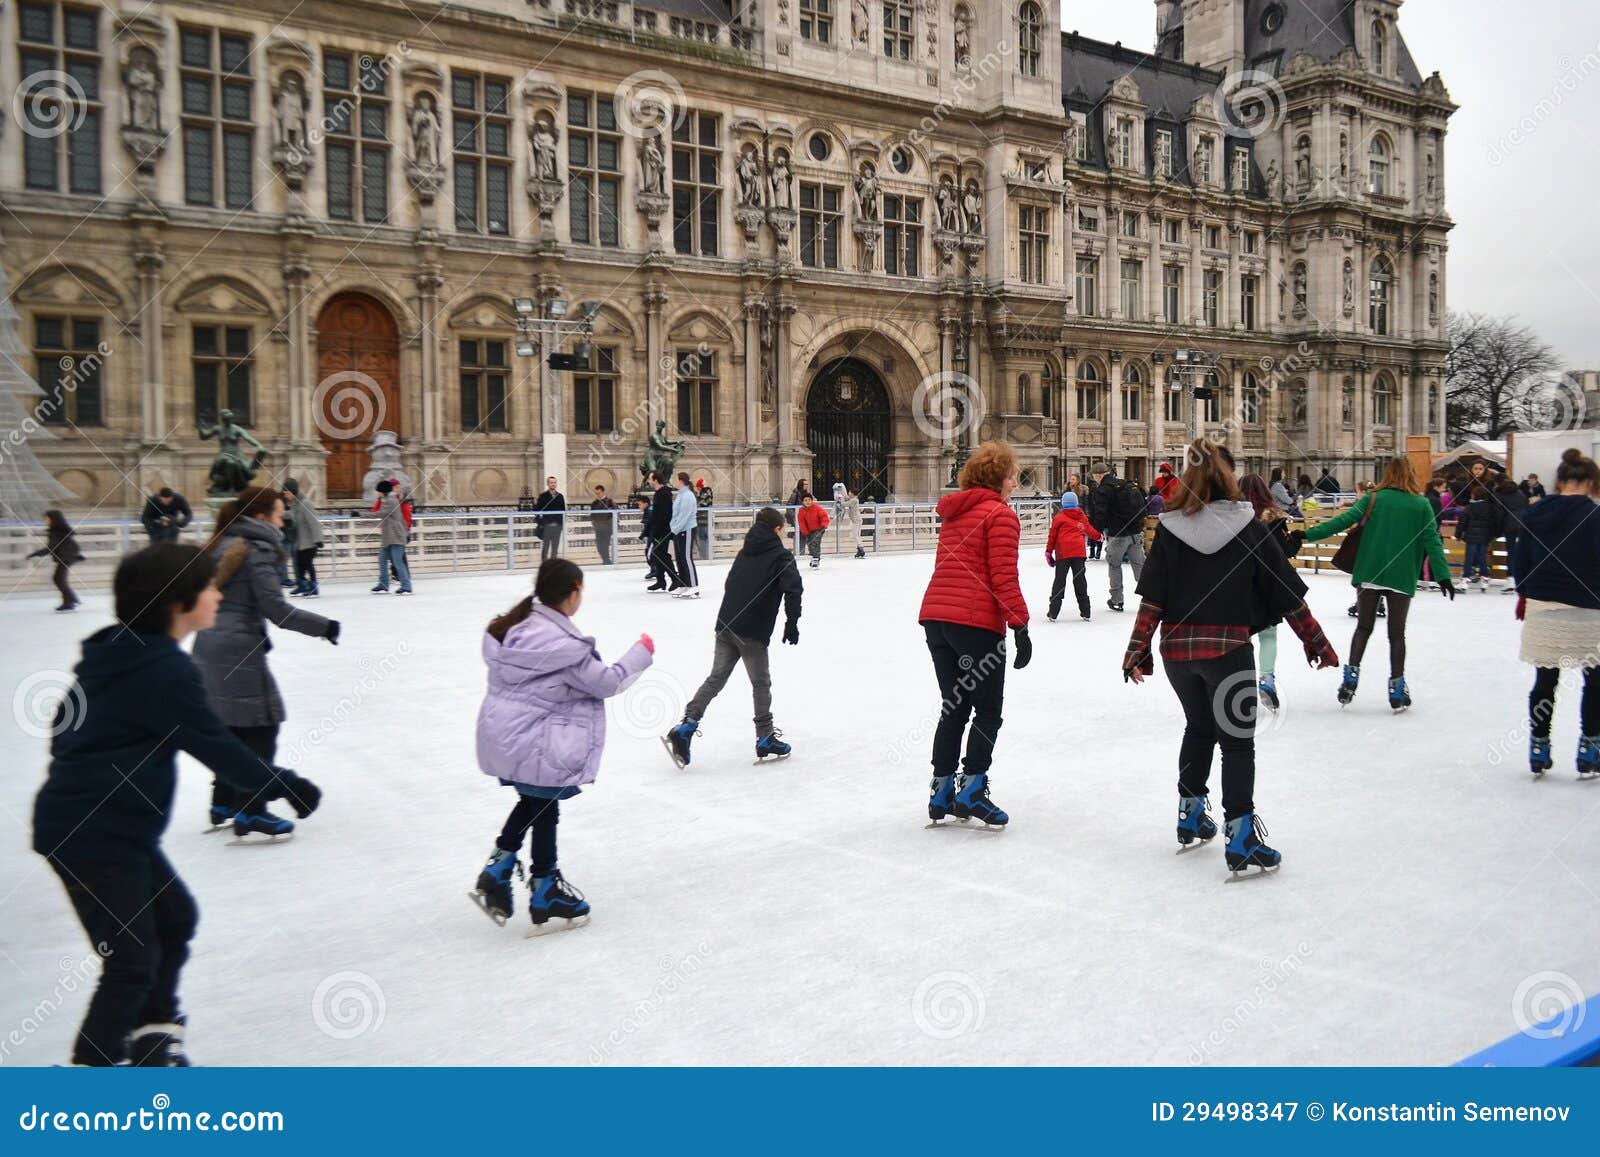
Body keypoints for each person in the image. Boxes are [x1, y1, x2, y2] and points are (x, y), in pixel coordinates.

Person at [32, 544, 322, 1066]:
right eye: (210, 587)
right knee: (129, 962)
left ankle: (153, 1036)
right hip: (95, 835)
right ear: (178, 603)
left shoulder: (116, 651)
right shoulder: (162, 669)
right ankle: (85, 1080)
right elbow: (217, 746)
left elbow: (63, 726)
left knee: (175, 918)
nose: (217, 593)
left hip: (106, 827)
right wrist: (288, 783)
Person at [1122, 441, 1339, 875]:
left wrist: (1136, 651)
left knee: (1199, 729)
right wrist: (1316, 641)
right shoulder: (1250, 528)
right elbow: (1286, 592)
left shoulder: (1169, 529)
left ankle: (1189, 815)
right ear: (1229, 476)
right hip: (1227, 650)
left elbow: (1153, 599)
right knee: (1238, 744)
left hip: (1178, 654)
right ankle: (1240, 839)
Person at [472, 559, 654, 930]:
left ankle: (514, 870)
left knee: (537, 803)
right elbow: (605, 683)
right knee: (542, 803)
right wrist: (641, 652)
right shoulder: (563, 647)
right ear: (573, 591)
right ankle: (537, 883)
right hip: (534, 740)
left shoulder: (517, 626)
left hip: (504, 735)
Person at [193, 485, 339, 835]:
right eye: (277, 513)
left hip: (208, 643)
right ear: (260, 517)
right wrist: (325, 626)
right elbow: (277, 610)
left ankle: (223, 800)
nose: (282, 520)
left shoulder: (222, 542)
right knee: (261, 726)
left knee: (232, 725)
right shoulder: (257, 550)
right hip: (238, 648)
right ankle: (251, 808)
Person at [917, 441, 1031, 829]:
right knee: (987, 710)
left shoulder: (956, 513)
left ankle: (941, 789)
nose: (1015, 483)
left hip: (937, 619)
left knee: (954, 707)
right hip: (974, 625)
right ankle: (972, 789)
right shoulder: (1000, 516)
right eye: (1012, 475)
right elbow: (1002, 576)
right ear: (999, 477)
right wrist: (1020, 624)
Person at [1304, 456, 1456, 710]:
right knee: (1396, 634)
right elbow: (1432, 541)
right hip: (1400, 575)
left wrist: (1305, 535)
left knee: (1363, 628)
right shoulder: (1420, 505)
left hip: (1370, 573)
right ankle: (1396, 689)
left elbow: (1341, 522)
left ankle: (1350, 680)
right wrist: (1443, 575)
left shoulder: (1373, 498)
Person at [666, 508, 803, 768]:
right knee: (761, 683)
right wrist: (792, 621)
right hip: (752, 630)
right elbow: (793, 589)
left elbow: (731, 583)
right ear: (776, 529)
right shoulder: (780, 556)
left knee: (716, 678)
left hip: (727, 624)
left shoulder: (746, 551)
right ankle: (765, 738)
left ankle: (687, 725)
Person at [1511, 449, 1600, 778]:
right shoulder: (1596, 515)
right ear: (1590, 481)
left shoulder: (1535, 515)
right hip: (1589, 608)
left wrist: (1529, 592)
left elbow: (1520, 564)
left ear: (1559, 481)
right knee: (1595, 680)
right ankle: (1589, 750)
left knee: (1545, 681)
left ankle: (1538, 747)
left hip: (1543, 605)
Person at [1239, 474, 1299, 710]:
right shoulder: (1273, 517)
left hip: (1239, 584)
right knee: (1269, 635)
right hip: (1268, 584)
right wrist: (1295, 539)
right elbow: (1285, 552)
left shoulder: (1235, 517)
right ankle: (1266, 679)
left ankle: (1239, 684)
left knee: (1241, 637)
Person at [1087, 460, 1147, 612]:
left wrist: (1095, 532)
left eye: (1094, 476)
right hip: (1136, 532)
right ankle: (1151, 598)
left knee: (1115, 565)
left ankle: (1116, 600)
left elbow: (1100, 514)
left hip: (1118, 534)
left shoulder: (1103, 490)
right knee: (1139, 566)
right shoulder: (1125, 484)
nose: (1094, 479)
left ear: (1099, 475)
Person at [1045, 490, 1101, 622]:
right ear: (1076, 503)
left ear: (1063, 504)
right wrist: (1099, 536)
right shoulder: (1081, 516)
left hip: (1063, 553)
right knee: (1080, 580)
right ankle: (1086, 611)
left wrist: (1048, 551)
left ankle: (1053, 612)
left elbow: (1052, 536)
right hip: (1078, 553)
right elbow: (1089, 530)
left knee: (1059, 581)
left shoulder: (1059, 517)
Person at [27, 509, 83, 612]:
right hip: (68, 556)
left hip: (66, 557)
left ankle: (69, 602)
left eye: (47, 519)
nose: (46, 521)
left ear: (54, 519)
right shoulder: (58, 530)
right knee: (59, 579)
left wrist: (35, 554)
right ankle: (71, 600)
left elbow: (50, 548)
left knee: (59, 579)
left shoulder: (56, 532)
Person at [368, 480, 414, 593]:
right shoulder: (386, 500)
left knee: (397, 561)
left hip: (396, 536)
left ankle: (406, 586)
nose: (378, 493)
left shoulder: (391, 500)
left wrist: (360, 514)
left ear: (383, 491)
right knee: (382, 559)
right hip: (389, 536)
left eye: (379, 491)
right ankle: (383, 584)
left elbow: (380, 513)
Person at [283, 478, 324, 597]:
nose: (285, 496)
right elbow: (291, 515)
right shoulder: (295, 505)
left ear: (292, 492)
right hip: (300, 542)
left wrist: (318, 540)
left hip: (310, 542)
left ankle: (313, 587)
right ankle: (302, 585)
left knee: (307, 564)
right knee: (300, 565)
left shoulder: (305, 504)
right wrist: (278, 514)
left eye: (286, 493)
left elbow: (313, 522)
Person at [1454, 482, 1498, 585]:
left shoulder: (1470, 507)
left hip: (1471, 536)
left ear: (1474, 495)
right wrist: (1493, 534)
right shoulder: (1490, 508)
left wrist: (1458, 535)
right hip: (1484, 536)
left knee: (1469, 557)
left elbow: (1462, 522)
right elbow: (1494, 522)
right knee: (1482, 557)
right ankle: (1485, 577)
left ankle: (1465, 577)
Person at [644, 470, 681, 592]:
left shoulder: (663, 493)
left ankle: (674, 578)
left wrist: (657, 531)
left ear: (655, 480)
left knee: (660, 555)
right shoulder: (659, 493)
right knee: (657, 555)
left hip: (662, 531)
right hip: (659, 530)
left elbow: (664, 515)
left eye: (650, 479)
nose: (648, 481)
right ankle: (661, 580)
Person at [1489, 474, 1528, 588]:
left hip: (1509, 526)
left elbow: (1499, 514)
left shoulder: (1499, 495)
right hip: (1523, 524)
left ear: (1497, 483)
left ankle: (1511, 579)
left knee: (1511, 551)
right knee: (1522, 551)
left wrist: (1497, 531)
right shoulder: (1520, 493)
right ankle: (1523, 577)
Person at [669, 471, 700, 597]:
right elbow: (676, 514)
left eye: (675, 479)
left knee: (686, 558)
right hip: (679, 530)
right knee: (680, 558)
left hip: (686, 529)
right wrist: (674, 528)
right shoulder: (681, 495)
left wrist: (675, 529)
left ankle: (694, 586)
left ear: (681, 481)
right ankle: (683, 584)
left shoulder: (687, 495)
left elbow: (684, 515)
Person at [533, 476, 566, 562]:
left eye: (554, 482)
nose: (553, 484)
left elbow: (563, 511)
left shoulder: (560, 496)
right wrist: (540, 522)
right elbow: (536, 510)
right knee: (545, 547)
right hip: (546, 526)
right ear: (548, 484)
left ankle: (553, 565)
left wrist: (561, 525)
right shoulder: (543, 496)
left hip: (557, 526)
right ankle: (544, 565)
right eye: (551, 482)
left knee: (555, 548)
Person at [797, 491, 830, 568]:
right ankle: (814, 557)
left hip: (819, 529)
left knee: (815, 542)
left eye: (809, 500)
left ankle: (816, 558)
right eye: (805, 500)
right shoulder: (801, 511)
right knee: (810, 544)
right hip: (809, 530)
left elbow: (824, 516)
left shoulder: (817, 508)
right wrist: (805, 531)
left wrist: (824, 525)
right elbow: (801, 522)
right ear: (802, 502)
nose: (807, 502)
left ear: (812, 501)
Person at [588, 484, 618, 565]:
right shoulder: (594, 503)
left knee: (605, 545)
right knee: (599, 546)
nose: (597, 495)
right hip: (598, 528)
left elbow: (616, 514)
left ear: (603, 492)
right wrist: (594, 524)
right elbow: (592, 515)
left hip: (607, 528)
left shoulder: (610, 502)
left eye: (599, 493)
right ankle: (606, 560)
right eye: (596, 493)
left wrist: (612, 525)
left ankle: (606, 561)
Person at [695, 478, 714, 559]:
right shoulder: (708, 492)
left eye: (698, 487)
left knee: (702, 540)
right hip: (707, 520)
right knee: (706, 540)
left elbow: (701, 505)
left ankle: (704, 557)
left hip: (702, 520)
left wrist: (697, 499)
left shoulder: (703, 493)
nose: (697, 489)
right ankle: (707, 556)